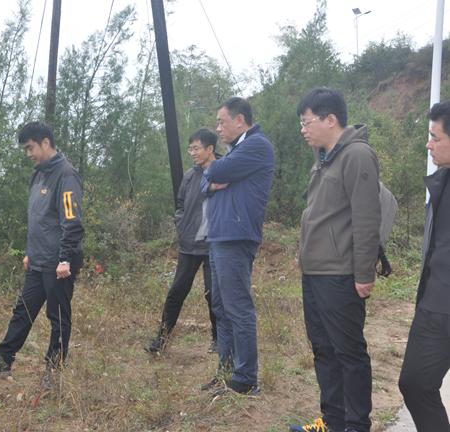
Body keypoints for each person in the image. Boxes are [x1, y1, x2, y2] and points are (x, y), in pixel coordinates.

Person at [290, 88, 380, 432]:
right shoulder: (324, 157)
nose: (303, 130)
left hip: (340, 275)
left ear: (330, 120)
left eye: (306, 122)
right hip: (315, 272)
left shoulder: (357, 155)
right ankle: (333, 422)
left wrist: (364, 273)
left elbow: (366, 219)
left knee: (349, 354)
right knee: (323, 350)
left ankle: (356, 425)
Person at [0, 122, 84, 389]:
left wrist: (65, 259)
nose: (28, 153)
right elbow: (38, 218)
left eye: (30, 148)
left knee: (58, 317)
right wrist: (30, 252)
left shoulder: (66, 175)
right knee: (23, 311)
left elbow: (72, 221)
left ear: (45, 142)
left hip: (58, 263)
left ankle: (53, 371)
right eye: (25, 149)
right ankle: (2, 360)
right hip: (38, 259)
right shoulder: (38, 174)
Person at [200, 97, 274, 396]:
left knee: (237, 307)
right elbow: (205, 180)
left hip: (235, 237)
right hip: (219, 236)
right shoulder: (236, 151)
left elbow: (214, 171)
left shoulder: (257, 145)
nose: (218, 129)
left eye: (222, 122)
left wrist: (213, 174)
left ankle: (246, 378)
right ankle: (226, 372)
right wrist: (211, 178)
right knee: (220, 307)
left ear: (240, 120)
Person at [398, 100, 450, 432]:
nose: (428, 145)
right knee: (415, 384)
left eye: (435, 137)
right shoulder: (441, 181)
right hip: (435, 303)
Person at [145, 128, 218, 354]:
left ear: (210, 149)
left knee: (213, 294)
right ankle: (161, 339)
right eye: (190, 149)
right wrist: (182, 225)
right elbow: (180, 205)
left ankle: (219, 339)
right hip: (189, 245)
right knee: (176, 291)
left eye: (196, 148)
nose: (192, 153)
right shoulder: (189, 176)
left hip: (215, 244)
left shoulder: (224, 172)